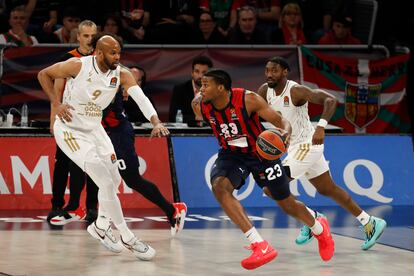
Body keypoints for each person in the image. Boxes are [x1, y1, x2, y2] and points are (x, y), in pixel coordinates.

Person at [37, 34, 167, 260]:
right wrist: (56, 104)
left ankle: (100, 226)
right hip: (70, 130)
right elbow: (43, 74)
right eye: (112, 53)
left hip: (95, 129)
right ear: (98, 52)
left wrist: (155, 121)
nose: (117, 57)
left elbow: (141, 98)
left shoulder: (122, 74)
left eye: (119, 52)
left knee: (115, 179)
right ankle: (127, 237)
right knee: (104, 181)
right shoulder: (78, 65)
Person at [191, 69, 334, 270]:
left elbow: (281, 121)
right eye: (201, 85)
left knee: (285, 203)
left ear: (221, 87)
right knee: (220, 187)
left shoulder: (248, 99)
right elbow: (210, 119)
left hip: (261, 151)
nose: (201, 89)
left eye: (206, 85)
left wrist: (285, 133)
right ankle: (259, 244)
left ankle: (319, 228)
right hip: (231, 154)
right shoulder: (199, 105)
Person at [257, 56, 387, 250]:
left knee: (271, 186)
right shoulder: (264, 91)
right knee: (327, 189)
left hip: (308, 145)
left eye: (274, 70)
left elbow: (330, 99)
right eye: (267, 70)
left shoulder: (296, 91)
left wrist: (321, 127)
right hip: (294, 147)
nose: (269, 74)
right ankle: (369, 222)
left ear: (285, 72)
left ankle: (312, 219)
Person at [47, 20, 99, 226]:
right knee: (62, 164)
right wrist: (53, 120)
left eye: (92, 36)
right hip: (68, 120)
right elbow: (56, 93)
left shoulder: (100, 59)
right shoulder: (68, 59)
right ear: (78, 36)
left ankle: (92, 207)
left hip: (92, 120)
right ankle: (57, 205)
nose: (89, 39)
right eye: (85, 36)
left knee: (94, 164)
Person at [169, 55, 213, 123]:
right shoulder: (180, 89)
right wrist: (198, 119)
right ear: (192, 73)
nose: (200, 76)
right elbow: (173, 116)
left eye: (204, 72)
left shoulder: (215, 90)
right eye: (197, 71)